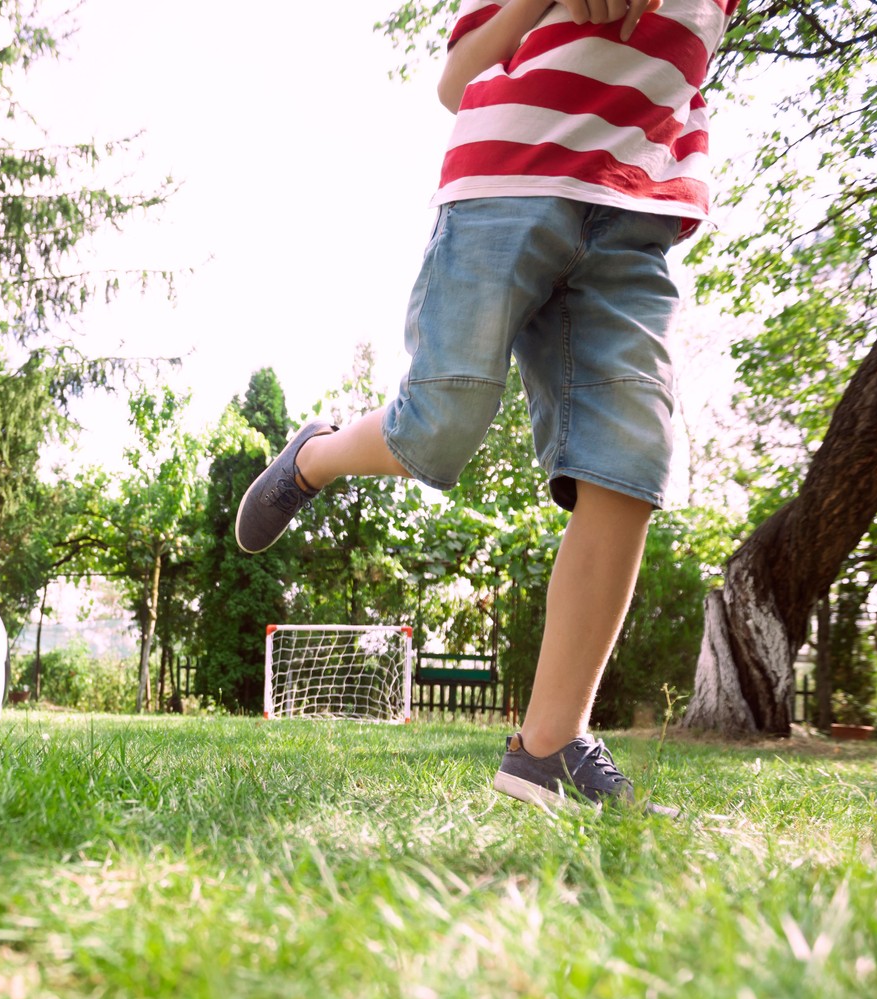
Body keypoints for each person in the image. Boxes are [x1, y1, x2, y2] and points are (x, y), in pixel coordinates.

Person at [236, 0, 735, 813]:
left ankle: (549, 749)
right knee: (442, 425)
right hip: (509, 180)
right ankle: (314, 457)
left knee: (632, 458)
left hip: (639, 217)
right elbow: (458, 77)